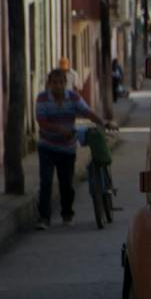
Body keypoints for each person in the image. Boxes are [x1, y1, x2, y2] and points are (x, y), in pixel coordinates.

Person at [35, 66, 111, 229]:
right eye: (55, 83)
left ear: (66, 83)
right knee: (46, 182)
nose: (58, 86)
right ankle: (44, 218)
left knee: (66, 184)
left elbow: (86, 111)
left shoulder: (73, 97)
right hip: (46, 146)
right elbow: (42, 121)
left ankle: (67, 213)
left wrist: (102, 122)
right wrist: (61, 129)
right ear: (49, 84)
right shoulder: (42, 99)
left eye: (61, 82)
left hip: (67, 148)